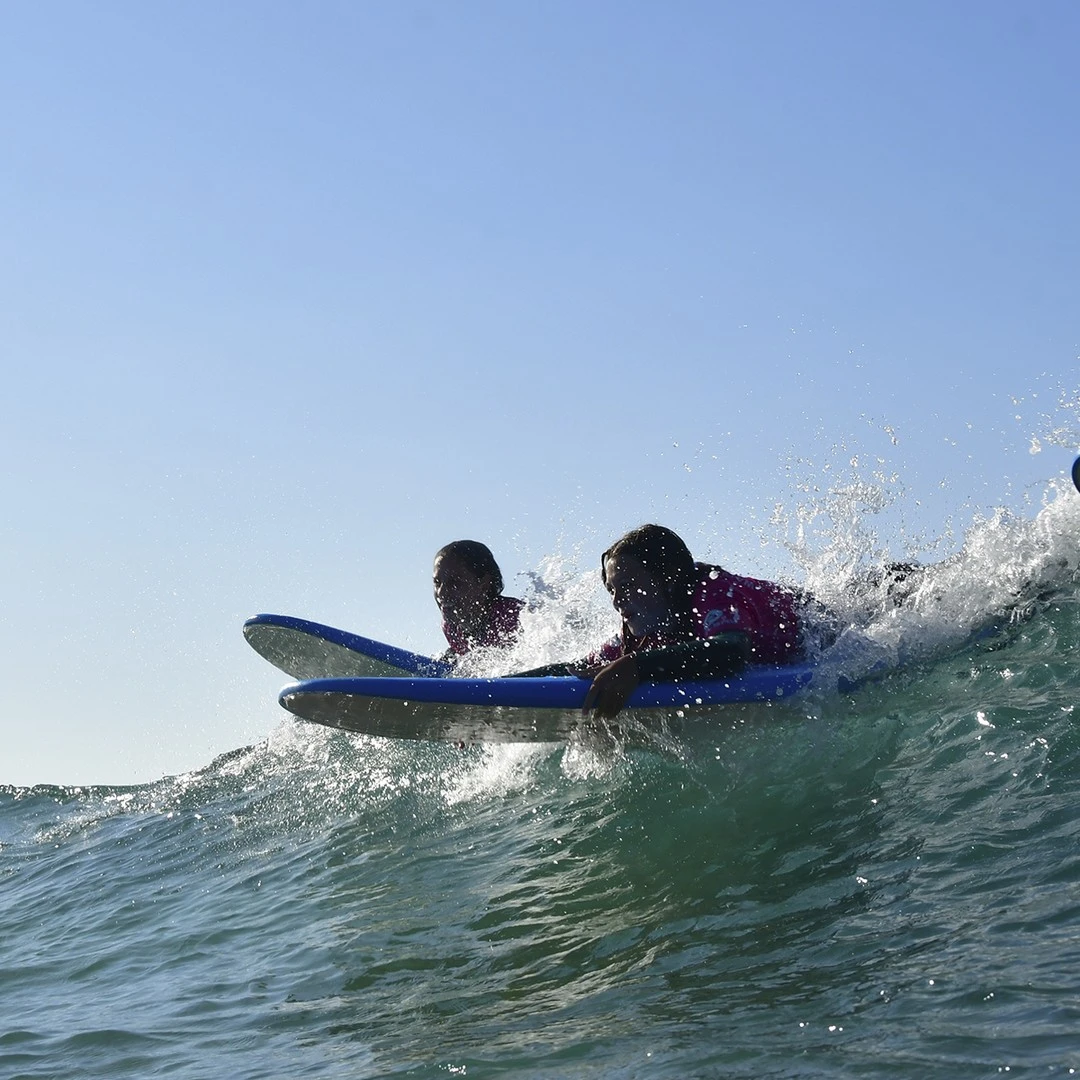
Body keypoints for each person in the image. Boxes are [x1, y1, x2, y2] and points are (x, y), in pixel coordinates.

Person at [513, 524, 809, 720]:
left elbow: (731, 652)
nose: (618, 600)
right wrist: (484, 690)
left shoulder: (713, 591)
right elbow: (576, 670)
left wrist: (637, 666)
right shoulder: (642, 630)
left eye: (628, 586)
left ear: (668, 578)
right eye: (612, 591)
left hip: (823, 630)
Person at [434, 540, 524, 658]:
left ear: (484, 584)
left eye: (454, 582)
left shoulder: (515, 617)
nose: (441, 592)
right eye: (437, 583)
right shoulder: (451, 627)